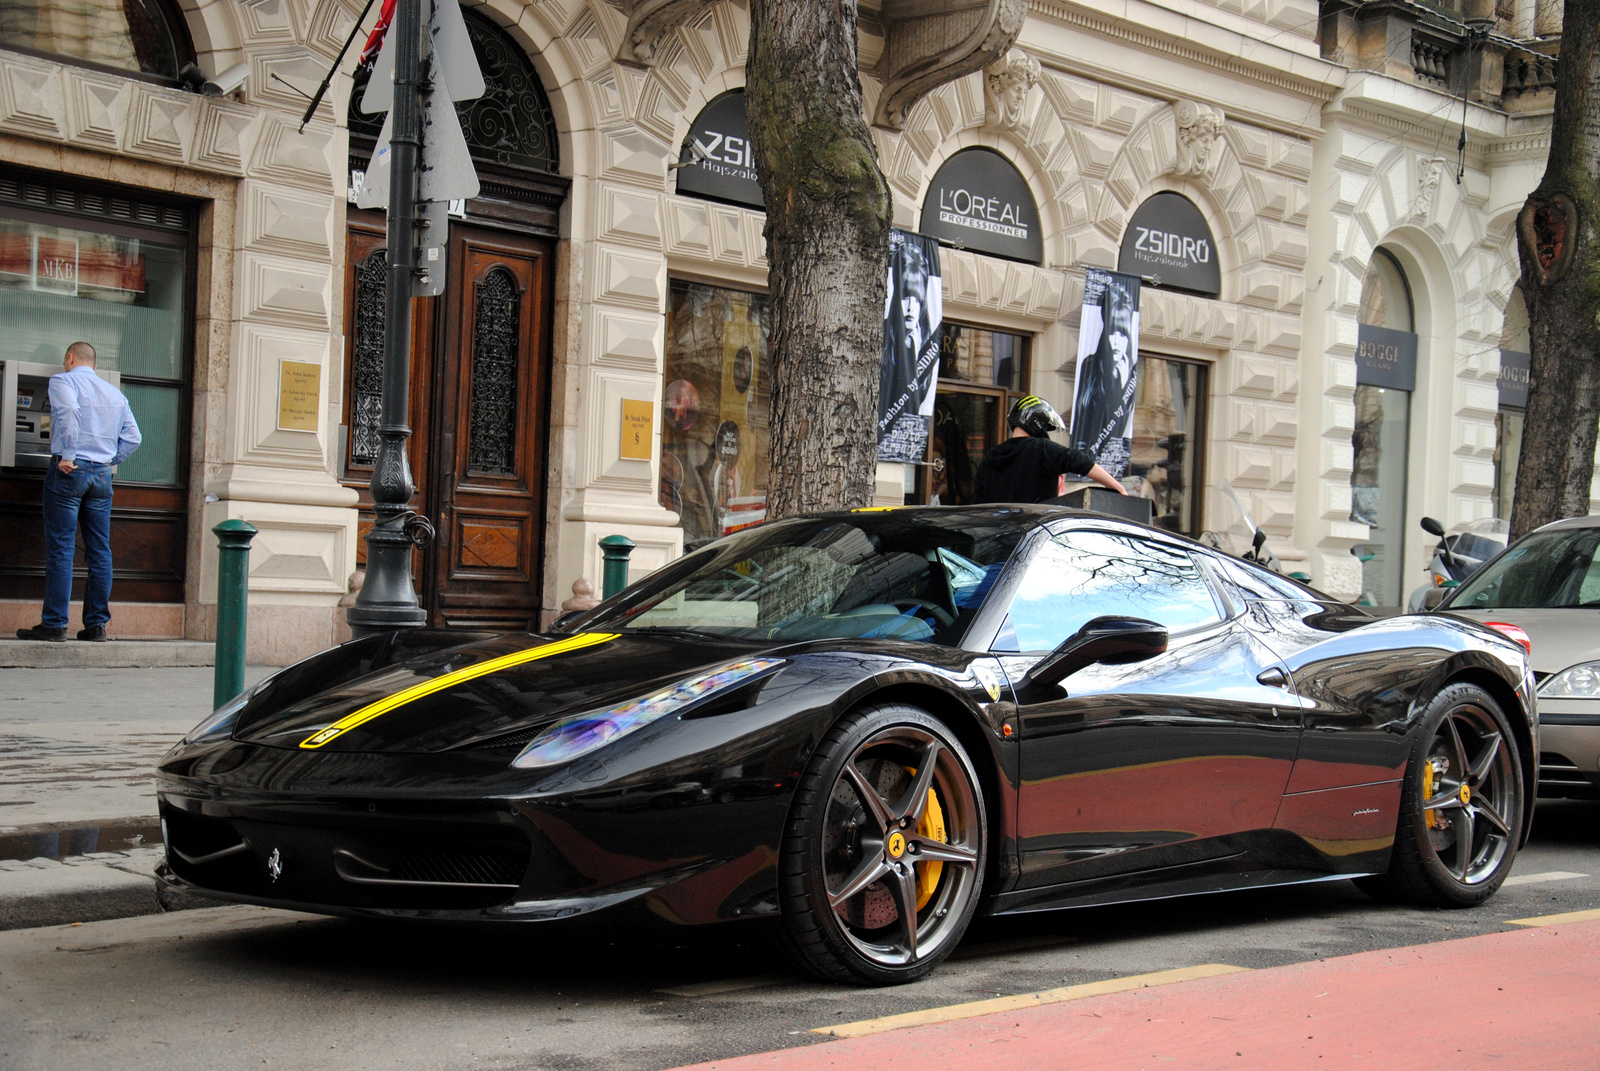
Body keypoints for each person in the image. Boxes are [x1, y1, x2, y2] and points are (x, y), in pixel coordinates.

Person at [15, 342, 141, 642]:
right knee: (99, 551)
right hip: (101, 476)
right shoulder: (114, 393)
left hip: (69, 472)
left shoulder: (63, 380)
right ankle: (96, 626)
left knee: (61, 548)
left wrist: (70, 454)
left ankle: (55, 624)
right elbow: (134, 437)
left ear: (69, 359)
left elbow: (69, 409)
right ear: (95, 366)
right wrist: (109, 459)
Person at [973, 396, 1126, 504]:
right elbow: (1080, 461)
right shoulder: (1041, 449)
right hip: (1033, 535)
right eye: (1046, 427)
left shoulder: (992, 455)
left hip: (997, 538)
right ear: (1038, 423)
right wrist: (1119, 488)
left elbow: (977, 502)